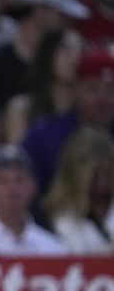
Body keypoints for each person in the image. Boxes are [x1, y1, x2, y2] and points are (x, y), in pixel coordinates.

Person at [21, 48, 114, 195]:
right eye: (93, 89)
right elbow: (26, 190)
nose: (103, 99)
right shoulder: (44, 135)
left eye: (110, 89)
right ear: (76, 89)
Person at [3, 27, 83, 145]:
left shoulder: (87, 112)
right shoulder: (21, 109)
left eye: (79, 50)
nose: (74, 57)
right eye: (66, 49)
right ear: (48, 52)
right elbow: (18, 159)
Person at [42, 127, 114, 255]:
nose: (102, 181)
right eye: (95, 175)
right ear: (76, 174)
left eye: (107, 173)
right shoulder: (54, 215)